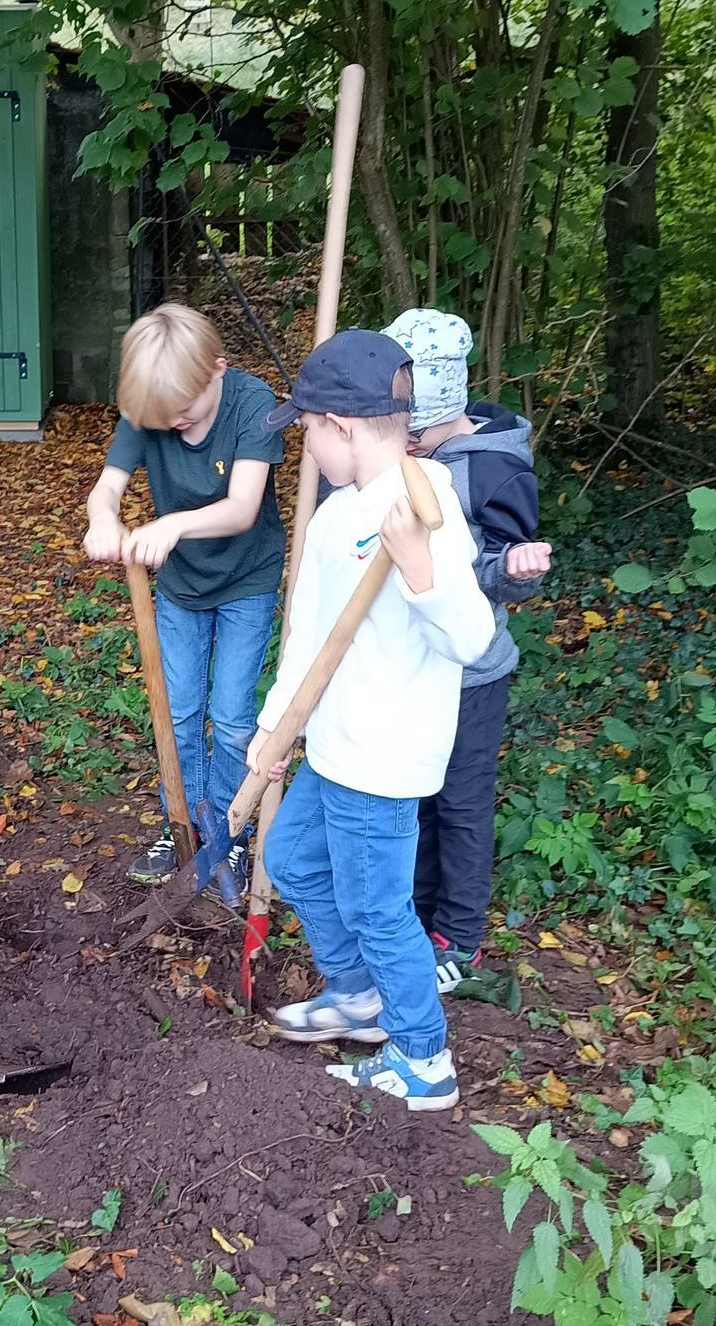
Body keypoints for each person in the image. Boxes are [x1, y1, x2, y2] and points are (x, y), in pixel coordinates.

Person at [247, 330, 493, 1111]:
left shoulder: (426, 504)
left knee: (379, 909)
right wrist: (274, 727)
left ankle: (423, 1058)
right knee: (290, 859)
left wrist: (422, 571)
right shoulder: (334, 519)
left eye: (309, 430)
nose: (306, 445)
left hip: (385, 756)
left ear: (343, 429)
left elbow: (472, 638)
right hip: (333, 744)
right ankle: (357, 993)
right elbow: (309, 639)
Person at [83, 304, 284, 890]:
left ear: (217, 370)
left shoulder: (252, 403)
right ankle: (187, 823)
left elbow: (243, 508)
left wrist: (170, 526)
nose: (177, 428)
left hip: (247, 580)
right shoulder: (152, 406)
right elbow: (108, 489)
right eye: (164, 421)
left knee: (230, 715)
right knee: (179, 711)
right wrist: (102, 519)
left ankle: (231, 828)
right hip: (180, 586)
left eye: (186, 415)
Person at [382, 309, 553, 993]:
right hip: (415, 664)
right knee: (419, 794)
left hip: (472, 673)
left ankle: (459, 937)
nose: (406, 445)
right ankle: (418, 917)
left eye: (412, 433)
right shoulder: (416, 455)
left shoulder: (492, 471)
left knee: (461, 802)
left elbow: (502, 571)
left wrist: (514, 571)